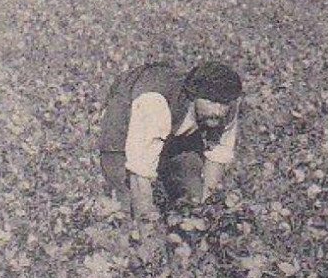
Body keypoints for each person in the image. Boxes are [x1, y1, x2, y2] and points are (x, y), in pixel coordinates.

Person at [97, 61, 244, 221]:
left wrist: (207, 212)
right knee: (126, 204)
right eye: (210, 101)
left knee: (191, 191)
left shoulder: (228, 106)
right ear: (193, 97)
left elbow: (217, 155)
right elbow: (140, 172)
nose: (218, 110)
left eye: (223, 103)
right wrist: (147, 230)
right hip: (124, 125)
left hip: (179, 125)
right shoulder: (154, 102)